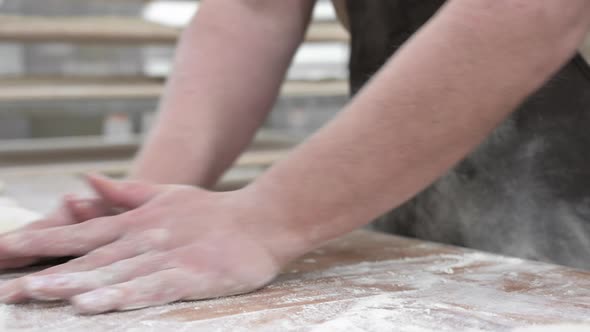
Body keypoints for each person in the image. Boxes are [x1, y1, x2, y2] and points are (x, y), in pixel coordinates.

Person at [0, 0, 589, 314]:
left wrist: (266, 218)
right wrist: (135, 216)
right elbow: (254, 11)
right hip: (434, 232)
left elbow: (529, 8)